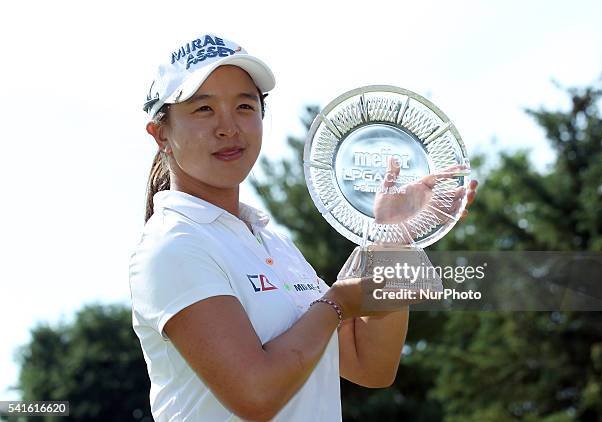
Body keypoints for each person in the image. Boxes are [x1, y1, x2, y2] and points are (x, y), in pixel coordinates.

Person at [129, 32, 478, 422]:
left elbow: (371, 366)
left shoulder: (272, 244)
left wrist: (391, 237)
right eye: (203, 110)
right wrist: (338, 303)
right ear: (161, 134)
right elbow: (256, 394)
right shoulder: (173, 245)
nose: (228, 126)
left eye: (245, 106)